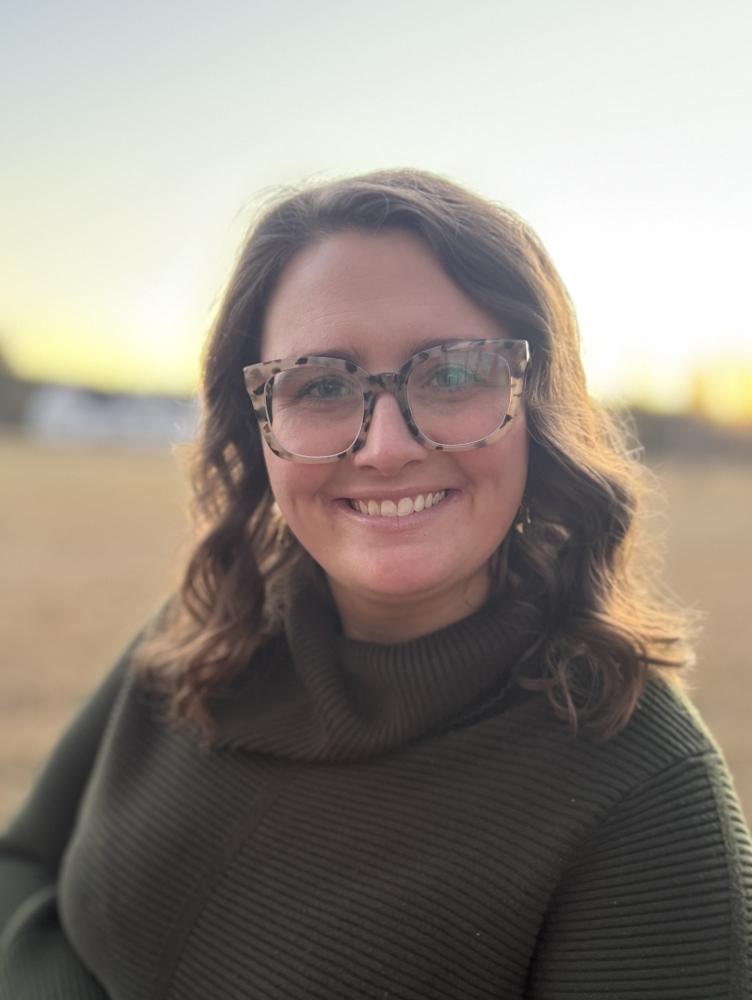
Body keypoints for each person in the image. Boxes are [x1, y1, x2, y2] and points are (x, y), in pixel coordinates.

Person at [1, 169, 750, 1000]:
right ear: (260, 430)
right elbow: (20, 867)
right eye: (321, 384)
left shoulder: (648, 799)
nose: (386, 447)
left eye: (453, 374)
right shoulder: (206, 629)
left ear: (537, 408)